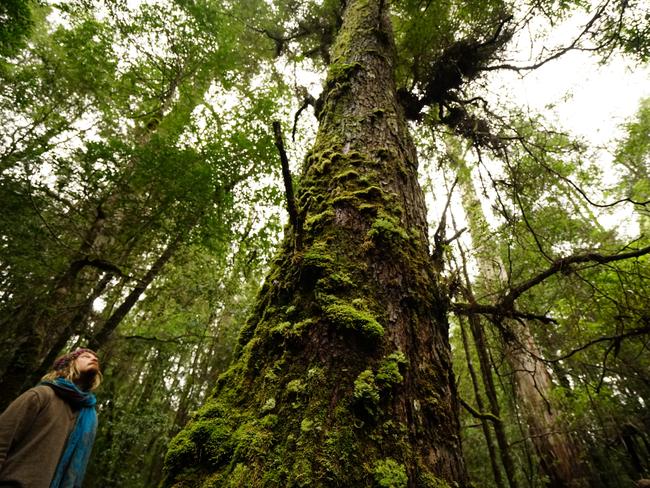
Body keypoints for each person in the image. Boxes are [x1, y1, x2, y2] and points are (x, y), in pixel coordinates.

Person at [0, 348, 102, 488]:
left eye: (96, 358)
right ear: (68, 365)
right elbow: (2, 438)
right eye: (85, 356)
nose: (94, 359)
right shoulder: (41, 395)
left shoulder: (88, 416)